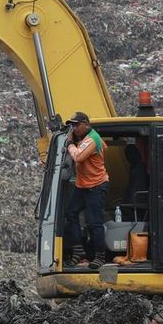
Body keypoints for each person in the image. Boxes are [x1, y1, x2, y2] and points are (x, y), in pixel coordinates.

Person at [64, 111, 110, 269]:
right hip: (82, 185)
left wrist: (70, 143)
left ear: (86, 124)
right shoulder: (86, 139)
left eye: (77, 125)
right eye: (73, 126)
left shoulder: (92, 138)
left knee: (94, 222)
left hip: (95, 186)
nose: (74, 128)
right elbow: (105, 147)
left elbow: (78, 157)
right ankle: (78, 250)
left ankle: (100, 256)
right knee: (71, 213)